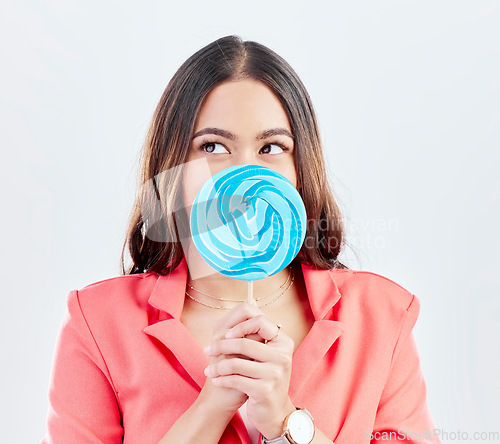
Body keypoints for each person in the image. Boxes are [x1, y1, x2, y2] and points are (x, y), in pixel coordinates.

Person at [42, 36, 440, 444]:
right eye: (213, 146)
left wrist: (284, 421)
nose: (245, 174)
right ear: (173, 168)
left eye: (271, 147)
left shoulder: (381, 317)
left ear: (300, 168)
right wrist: (212, 407)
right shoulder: (98, 322)